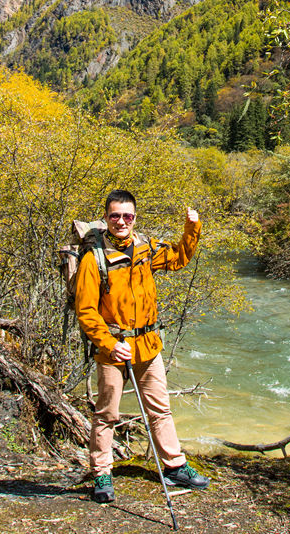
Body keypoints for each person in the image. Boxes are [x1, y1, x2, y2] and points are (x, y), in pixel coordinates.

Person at [75, 188, 210, 503]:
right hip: (113, 350)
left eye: (127, 216)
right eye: (115, 216)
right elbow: (86, 311)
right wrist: (109, 343)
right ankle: (102, 474)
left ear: (134, 218)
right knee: (107, 413)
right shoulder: (94, 258)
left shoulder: (145, 248)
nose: (121, 221)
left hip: (148, 346)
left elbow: (178, 258)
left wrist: (192, 228)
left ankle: (174, 465)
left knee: (160, 409)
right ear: (106, 218)